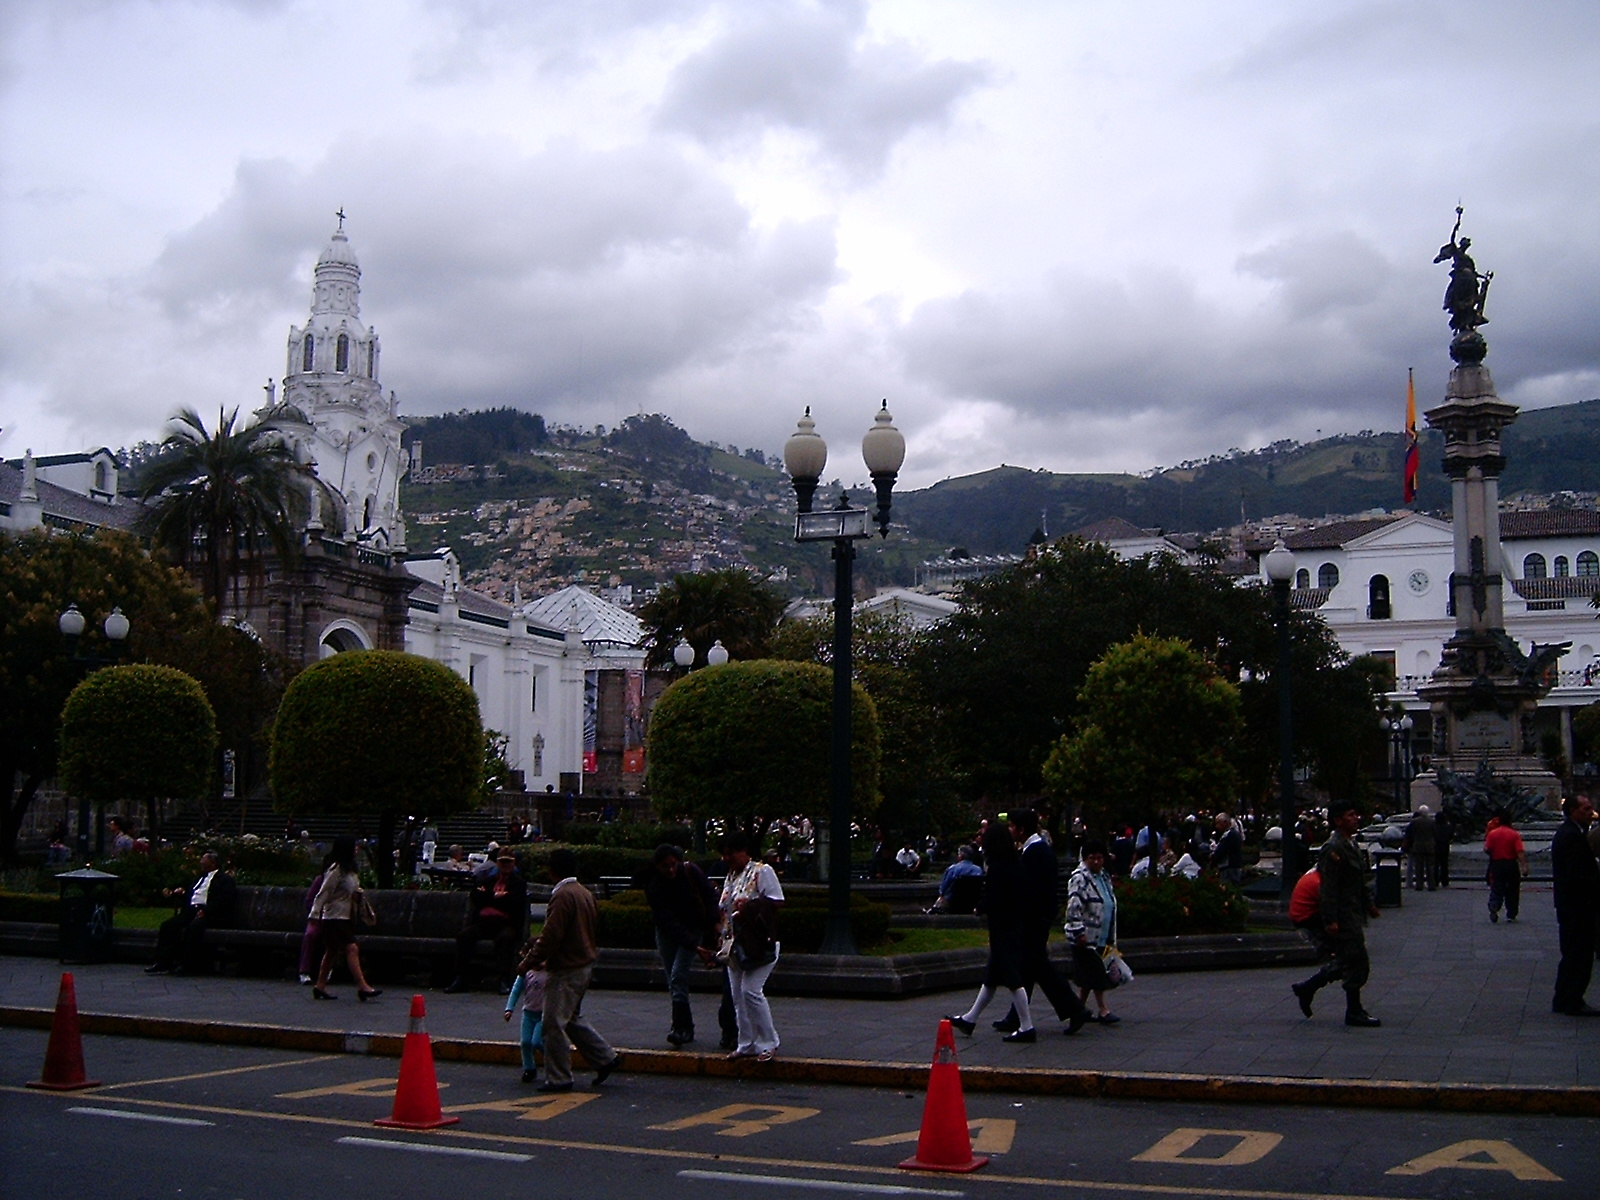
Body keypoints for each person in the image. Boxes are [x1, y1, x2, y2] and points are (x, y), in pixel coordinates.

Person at [519, 848, 619, 1092]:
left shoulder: (562, 896)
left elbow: (550, 936)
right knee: (570, 1017)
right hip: (584, 963)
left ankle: (559, 1077)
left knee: (552, 1023)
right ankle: (604, 1057)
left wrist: (528, 962)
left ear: (552, 871)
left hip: (566, 968)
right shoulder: (584, 893)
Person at [994, 810, 1090, 1036]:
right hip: (1039, 916)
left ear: (1020, 829)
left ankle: (1074, 1008)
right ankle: (1016, 1016)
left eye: (1011, 826)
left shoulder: (1034, 853)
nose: (1009, 830)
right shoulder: (1038, 850)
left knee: (1038, 965)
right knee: (1028, 966)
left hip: (1033, 918)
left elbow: (1029, 890)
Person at [945, 821, 1036, 1042]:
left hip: (1002, 927)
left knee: (1012, 979)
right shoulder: (1015, 863)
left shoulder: (997, 867)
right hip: (1013, 925)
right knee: (992, 977)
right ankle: (970, 1018)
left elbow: (995, 897)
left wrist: (981, 907)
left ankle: (1027, 1026)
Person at [716, 833, 785, 1061]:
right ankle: (746, 1042)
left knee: (751, 991)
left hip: (758, 943)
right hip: (734, 944)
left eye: (731, 853)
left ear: (744, 851)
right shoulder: (732, 876)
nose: (727, 858)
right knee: (738, 995)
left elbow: (777, 901)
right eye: (724, 854)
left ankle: (768, 1041)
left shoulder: (762, 871)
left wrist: (750, 906)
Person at [644, 843, 718, 1047]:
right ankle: (685, 1025)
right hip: (669, 933)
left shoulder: (690, 872)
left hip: (693, 928)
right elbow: (666, 921)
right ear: (657, 866)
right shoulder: (654, 886)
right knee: (674, 979)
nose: (670, 870)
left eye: (673, 864)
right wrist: (696, 947)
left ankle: (681, 1028)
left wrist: (711, 928)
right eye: (665, 866)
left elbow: (710, 896)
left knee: (677, 975)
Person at [1317, 801, 1382, 1027]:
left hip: (1353, 911)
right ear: (1338, 821)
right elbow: (1329, 888)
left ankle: (1307, 989)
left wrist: (1369, 905)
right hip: (1343, 915)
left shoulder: (1350, 844)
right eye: (1350, 815)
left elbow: (1358, 881)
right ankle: (1353, 1010)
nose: (1356, 818)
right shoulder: (1333, 848)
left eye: (1356, 814)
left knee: (1348, 960)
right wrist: (1331, 919)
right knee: (1357, 961)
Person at [309, 836, 380, 1002]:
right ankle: (362, 986)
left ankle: (320, 985)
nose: (357, 849)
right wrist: (314, 913)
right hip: (334, 916)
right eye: (354, 846)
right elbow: (324, 891)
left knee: (332, 951)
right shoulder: (336, 869)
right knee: (352, 948)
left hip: (345, 915)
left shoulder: (350, 870)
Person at [445, 852, 528, 993]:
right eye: (502, 861)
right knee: (464, 936)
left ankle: (503, 980)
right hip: (484, 923)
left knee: (506, 938)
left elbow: (514, 902)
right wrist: (496, 896)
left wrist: (489, 898)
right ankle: (461, 978)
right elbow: (476, 896)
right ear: (497, 863)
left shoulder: (519, 883)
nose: (505, 865)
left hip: (506, 923)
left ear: (514, 863)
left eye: (509, 862)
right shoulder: (487, 880)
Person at [147, 850, 237, 975]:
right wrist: (181, 894)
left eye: (203, 860)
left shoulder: (224, 880)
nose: (201, 862)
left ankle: (187, 964)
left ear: (213, 863)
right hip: (192, 910)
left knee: (193, 928)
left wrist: (206, 911)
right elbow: (194, 894)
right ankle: (162, 962)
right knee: (168, 926)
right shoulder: (199, 879)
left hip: (210, 914)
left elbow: (223, 899)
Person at [1550, 795, 1600, 1016]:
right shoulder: (1571, 836)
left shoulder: (1572, 833)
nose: (1591, 812)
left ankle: (1565, 998)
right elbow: (1577, 875)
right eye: (1586, 808)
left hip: (1572, 905)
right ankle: (1571, 999)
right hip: (1578, 906)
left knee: (1573, 953)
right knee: (1578, 954)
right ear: (1572, 811)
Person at [1064, 838, 1120, 1024]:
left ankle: (1078, 1008)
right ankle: (1103, 1009)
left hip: (1104, 934)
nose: (1096, 862)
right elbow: (1073, 907)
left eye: (1099, 858)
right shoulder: (1080, 878)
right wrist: (1078, 931)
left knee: (1089, 974)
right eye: (1092, 858)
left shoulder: (1104, 877)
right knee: (1096, 972)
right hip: (1087, 935)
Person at [1288, 863, 1343, 1015]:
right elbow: (1329, 907)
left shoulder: (1313, 876)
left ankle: (1308, 987)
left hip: (1304, 915)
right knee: (1349, 960)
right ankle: (1308, 987)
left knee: (1349, 961)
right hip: (1307, 918)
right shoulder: (1319, 883)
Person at [502, 961, 546, 1083]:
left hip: (543, 1014)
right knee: (526, 1042)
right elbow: (515, 991)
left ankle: (551, 1062)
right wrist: (509, 1008)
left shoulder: (549, 974)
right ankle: (529, 1068)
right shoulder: (526, 973)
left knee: (537, 1042)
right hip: (528, 1013)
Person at [297, 851, 335, 985]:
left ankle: (328, 969)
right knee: (311, 935)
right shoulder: (320, 881)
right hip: (318, 918)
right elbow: (309, 901)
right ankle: (304, 971)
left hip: (334, 917)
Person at [1484, 809, 1527, 923]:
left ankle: (1494, 905)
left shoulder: (1492, 834)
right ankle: (1511, 913)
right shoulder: (1514, 834)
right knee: (1512, 889)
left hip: (1497, 864)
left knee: (1497, 887)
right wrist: (1524, 866)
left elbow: (1487, 849)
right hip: (1511, 864)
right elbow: (1519, 852)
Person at [927, 844, 983, 913]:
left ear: (961, 856)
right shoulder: (978, 870)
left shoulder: (953, 869)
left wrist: (941, 895)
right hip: (972, 901)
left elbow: (943, 888)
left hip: (953, 901)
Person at [1404, 805, 1437, 891]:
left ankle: (1419, 885)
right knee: (1430, 866)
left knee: (1419, 867)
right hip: (1429, 845)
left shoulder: (1414, 822)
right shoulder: (1432, 822)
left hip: (1418, 845)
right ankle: (1431, 885)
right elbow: (1435, 833)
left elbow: (1410, 833)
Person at [1210, 813, 1243, 885]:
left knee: (1228, 887)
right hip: (1235, 866)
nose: (1217, 826)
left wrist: (1213, 857)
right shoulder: (1235, 834)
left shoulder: (1229, 835)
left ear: (1225, 822)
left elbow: (1221, 851)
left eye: (1218, 823)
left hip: (1228, 867)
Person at [1433, 807, 1454, 888]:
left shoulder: (1434, 826)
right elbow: (1451, 836)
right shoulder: (1448, 827)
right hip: (1445, 846)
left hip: (1436, 846)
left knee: (1436, 864)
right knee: (1444, 864)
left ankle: (1435, 880)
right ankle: (1444, 880)